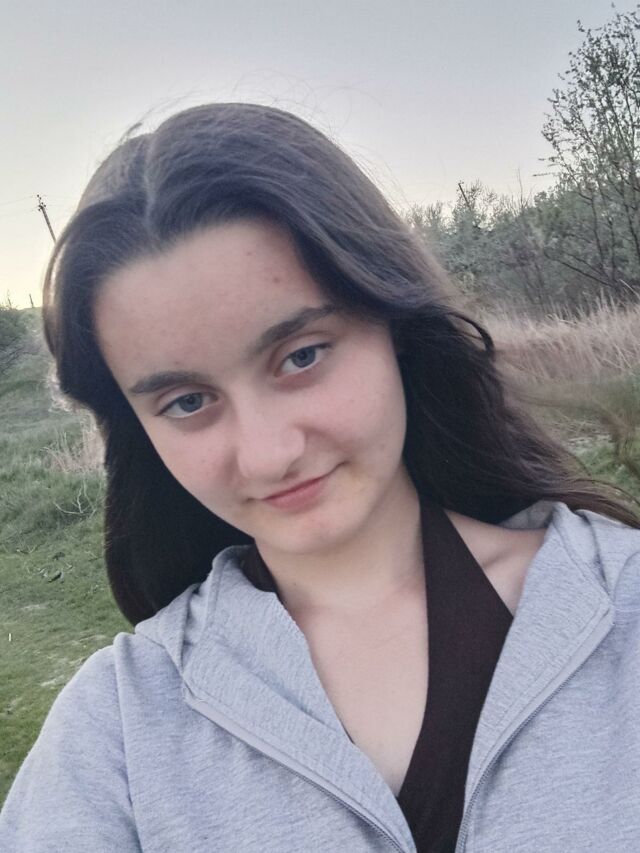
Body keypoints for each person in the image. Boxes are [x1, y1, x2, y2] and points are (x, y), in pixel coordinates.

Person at [1, 102, 639, 853]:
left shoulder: (621, 608)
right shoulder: (115, 732)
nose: (268, 454)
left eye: (300, 356)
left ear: (396, 327)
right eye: (188, 402)